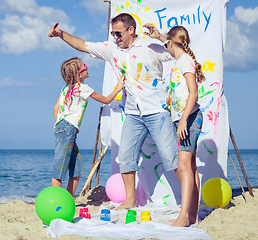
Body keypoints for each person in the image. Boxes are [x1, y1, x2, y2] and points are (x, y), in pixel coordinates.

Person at [48, 13, 179, 209]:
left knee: (171, 157)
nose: (115, 37)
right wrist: (60, 34)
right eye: (113, 33)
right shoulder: (112, 49)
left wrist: (160, 37)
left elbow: (177, 51)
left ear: (130, 30)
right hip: (133, 113)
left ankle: (189, 199)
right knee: (125, 156)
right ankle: (130, 201)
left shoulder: (149, 47)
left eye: (118, 33)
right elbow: (83, 45)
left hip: (156, 111)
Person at [146, 25, 205, 227]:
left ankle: (184, 216)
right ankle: (192, 216)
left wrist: (182, 119)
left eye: (167, 44)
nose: (167, 48)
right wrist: (159, 36)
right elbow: (172, 45)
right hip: (184, 118)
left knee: (184, 166)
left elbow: (193, 93)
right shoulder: (181, 59)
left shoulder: (185, 62)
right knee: (191, 167)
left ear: (172, 43)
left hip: (188, 119)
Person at [52, 57, 124, 196]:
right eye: (83, 66)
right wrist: (118, 88)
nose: (86, 67)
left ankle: (68, 199)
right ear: (77, 74)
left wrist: (59, 126)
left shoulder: (65, 89)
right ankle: (55, 201)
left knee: (77, 169)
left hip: (63, 128)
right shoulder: (84, 88)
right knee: (60, 168)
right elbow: (106, 100)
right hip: (68, 129)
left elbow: (56, 109)